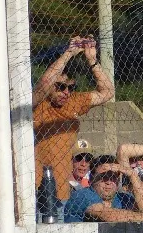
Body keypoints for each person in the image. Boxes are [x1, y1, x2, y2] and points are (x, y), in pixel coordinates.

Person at [32, 34, 115, 204]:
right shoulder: (39, 103)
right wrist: (68, 53)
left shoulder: (73, 101)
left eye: (71, 87)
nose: (66, 92)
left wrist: (92, 60)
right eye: (61, 87)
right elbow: (46, 82)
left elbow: (107, 92)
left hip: (61, 191)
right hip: (35, 187)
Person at [64, 155, 143, 222]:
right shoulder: (83, 195)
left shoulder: (122, 198)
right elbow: (108, 215)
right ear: (91, 179)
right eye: (103, 176)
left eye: (113, 177)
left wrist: (132, 174)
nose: (108, 182)